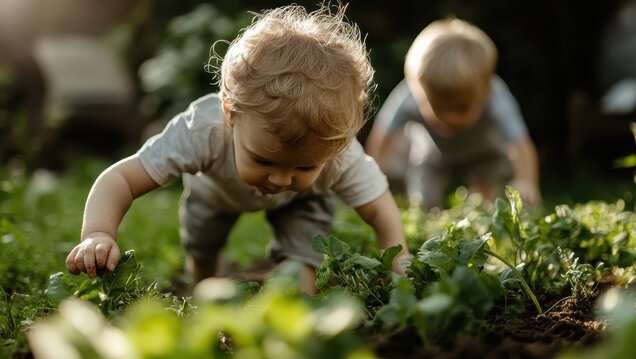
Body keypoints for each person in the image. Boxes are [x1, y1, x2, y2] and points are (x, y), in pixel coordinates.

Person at [64, 4, 410, 294]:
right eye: (263, 160)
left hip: (302, 202)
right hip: (215, 191)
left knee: (307, 249)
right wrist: (98, 232)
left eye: (304, 167)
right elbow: (122, 178)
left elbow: (380, 208)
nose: (279, 179)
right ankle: (204, 287)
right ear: (230, 114)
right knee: (203, 246)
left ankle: (295, 293)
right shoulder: (203, 130)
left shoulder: (335, 151)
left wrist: (399, 265)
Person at [366, 18, 541, 209]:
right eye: (439, 108)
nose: (451, 118)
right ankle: (429, 217)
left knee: (488, 202)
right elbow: (383, 133)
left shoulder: (496, 95)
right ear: (419, 92)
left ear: (485, 93)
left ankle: (482, 212)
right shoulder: (410, 95)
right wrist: (373, 177)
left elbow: (520, 143)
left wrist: (526, 180)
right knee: (423, 201)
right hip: (434, 155)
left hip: (484, 153)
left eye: (462, 108)